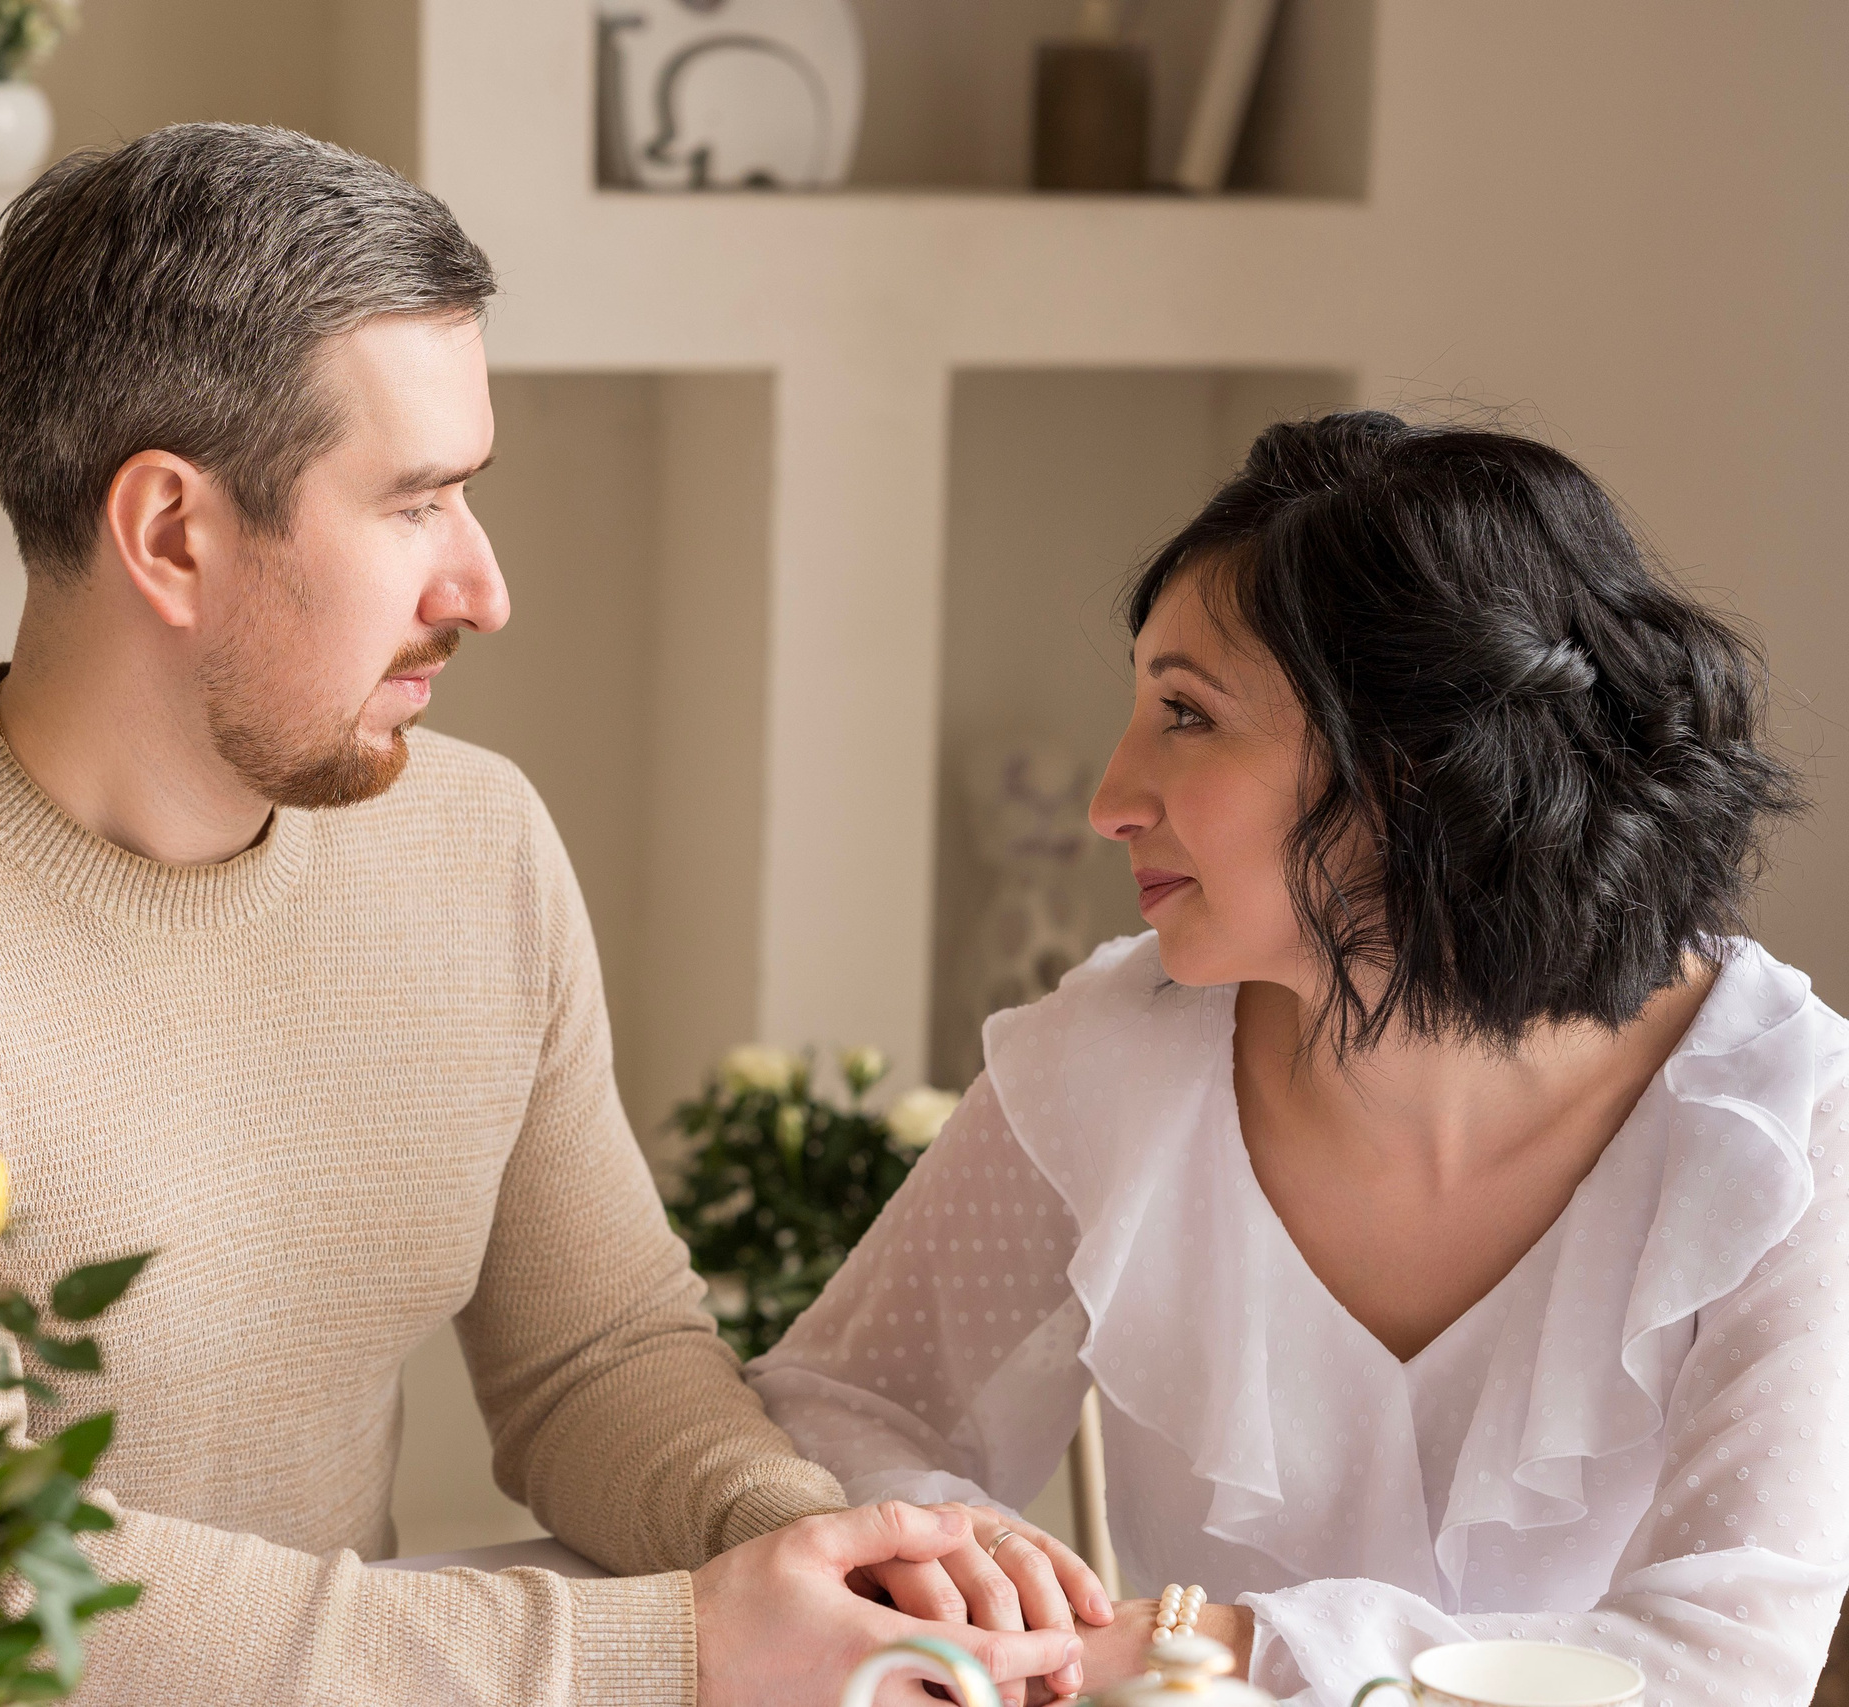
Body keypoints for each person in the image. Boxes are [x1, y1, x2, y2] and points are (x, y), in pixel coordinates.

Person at [0, 124, 1089, 1705]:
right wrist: (673, 1647)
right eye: (416, 505)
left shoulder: (475, 844)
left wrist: (814, 1554)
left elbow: (595, 1356)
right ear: (172, 533)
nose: (483, 586)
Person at [750, 412, 1849, 1706]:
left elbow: (1722, 1668)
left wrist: (1192, 1649)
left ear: (1415, 760)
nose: (1113, 795)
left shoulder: (1784, 1131)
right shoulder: (1109, 1060)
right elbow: (835, 1403)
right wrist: (976, 1562)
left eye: (1187, 715)